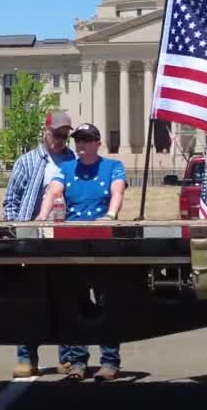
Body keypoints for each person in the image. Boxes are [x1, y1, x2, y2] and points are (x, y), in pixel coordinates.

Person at [36, 123, 127, 381]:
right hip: (72, 243)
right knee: (74, 303)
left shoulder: (112, 166)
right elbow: (53, 191)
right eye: (78, 140)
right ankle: (77, 362)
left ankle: (109, 361)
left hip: (102, 242)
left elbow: (117, 190)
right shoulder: (66, 168)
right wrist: (42, 217)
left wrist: (110, 215)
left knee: (105, 302)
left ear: (98, 143)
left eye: (87, 140)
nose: (81, 145)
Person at [4, 110, 78, 378]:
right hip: (31, 237)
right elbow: (10, 202)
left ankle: (67, 357)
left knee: (64, 297)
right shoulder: (27, 161)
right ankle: (26, 357)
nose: (60, 140)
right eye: (56, 134)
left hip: (62, 239)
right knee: (30, 299)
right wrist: (16, 233)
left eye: (64, 136)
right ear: (45, 132)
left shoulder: (72, 161)